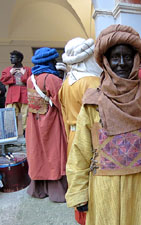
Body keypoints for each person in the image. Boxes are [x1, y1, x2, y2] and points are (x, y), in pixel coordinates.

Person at [65, 24, 141, 225]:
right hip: (103, 188)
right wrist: (79, 191)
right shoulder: (93, 101)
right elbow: (80, 150)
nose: (121, 63)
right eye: (115, 57)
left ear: (136, 59)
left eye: (127, 56)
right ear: (106, 61)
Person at [59, 37, 102, 225]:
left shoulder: (66, 82)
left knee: (77, 175)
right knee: (92, 181)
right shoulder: (93, 82)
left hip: (72, 135)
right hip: (90, 137)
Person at [26, 47, 68, 203]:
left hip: (34, 122)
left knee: (38, 153)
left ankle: (39, 188)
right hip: (51, 122)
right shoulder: (52, 79)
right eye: (54, 60)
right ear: (49, 61)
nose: (56, 62)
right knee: (54, 152)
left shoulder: (30, 78)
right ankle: (57, 189)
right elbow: (62, 102)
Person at [0, 50, 31, 135]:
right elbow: (3, 81)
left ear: (19, 59)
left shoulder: (28, 70)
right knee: (10, 115)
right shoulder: (8, 70)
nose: (11, 59)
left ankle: (26, 132)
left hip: (25, 95)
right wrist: (10, 73)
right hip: (12, 95)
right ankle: (11, 133)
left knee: (26, 114)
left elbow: (31, 81)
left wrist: (24, 73)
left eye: (13, 57)